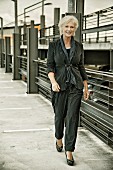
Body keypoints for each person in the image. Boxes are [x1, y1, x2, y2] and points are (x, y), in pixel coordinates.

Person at [47, 15, 89, 166]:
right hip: (59, 86)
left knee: (72, 118)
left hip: (75, 86)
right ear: (61, 28)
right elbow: (50, 66)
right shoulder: (54, 46)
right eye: (67, 26)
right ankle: (59, 137)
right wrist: (53, 82)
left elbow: (81, 67)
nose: (69, 29)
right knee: (59, 117)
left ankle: (69, 150)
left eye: (72, 27)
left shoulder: (79, 46)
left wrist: (85, 86)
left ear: (75, 29)